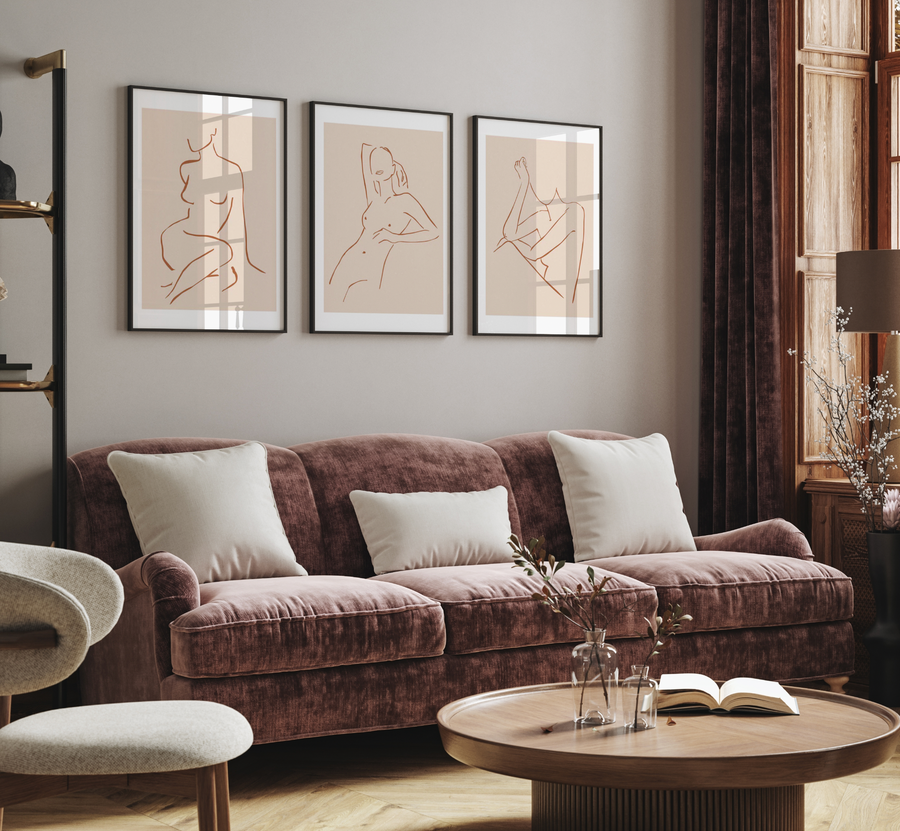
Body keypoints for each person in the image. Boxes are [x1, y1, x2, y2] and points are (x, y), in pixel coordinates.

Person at [159, 128, 263, 305]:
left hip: (215, 242)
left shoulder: (232, 170)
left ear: (213, 132)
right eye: (191, 133)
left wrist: (238, 259)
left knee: (223, 251)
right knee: (171, 236)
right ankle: (179, 287)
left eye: (199, 131)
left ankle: (173, 294)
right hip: (184, 233)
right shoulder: (187, 168)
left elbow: (236, 216)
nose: (192, 139)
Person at [328, 144, 438, 303]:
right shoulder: (373, 197)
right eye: (374, 166)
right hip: (349, 260)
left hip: (372, 267)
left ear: (392, 168)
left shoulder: (406, 201)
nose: (376, 169)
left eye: (382, 164)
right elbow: (365, 152)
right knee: (331, 303)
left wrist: (395, 237)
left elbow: (433, 231)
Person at [495, 156, 585, 304]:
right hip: (543, 288)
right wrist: (524, 184)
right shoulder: (543, 215)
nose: (538, 188)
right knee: (505, 246)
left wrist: (511, 242)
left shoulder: (574, 211)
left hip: (562, 296)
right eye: (534, 182)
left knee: (507, 247)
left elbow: (533, 253)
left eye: (545, 180)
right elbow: (508, 233)